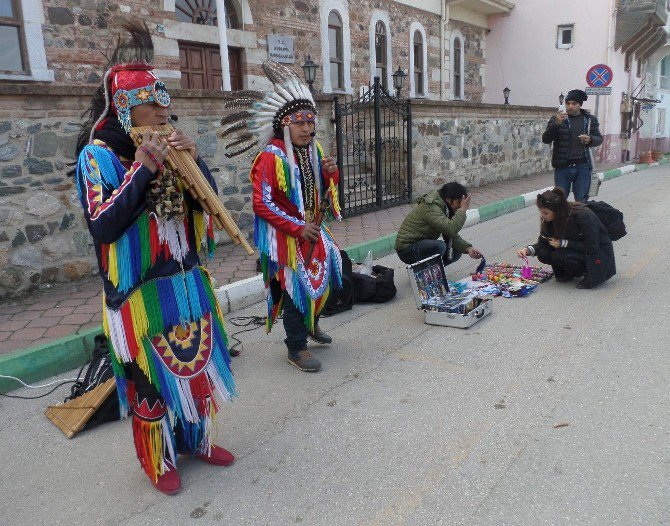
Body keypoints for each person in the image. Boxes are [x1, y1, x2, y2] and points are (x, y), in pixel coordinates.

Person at [74, 22, 236, 495]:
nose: (166, 113)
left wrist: (196, 161)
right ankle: (158, 458)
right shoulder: (97, 157)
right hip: (137, 293)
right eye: (154, 104)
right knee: (150, 383)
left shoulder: (170, 145)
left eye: (166, 102)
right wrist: (143, 169)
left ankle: (195, 440)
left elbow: (209, 205)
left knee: (197, 368)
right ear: (126, 109)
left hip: (184, 280)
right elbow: (103, 225)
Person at [220, 62, 343, 373]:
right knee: (294, 289)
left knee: (330, 272)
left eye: (310, 122)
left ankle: (310, 323)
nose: (307, 128)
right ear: (283, 124)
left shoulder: (313, 149)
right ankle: (296, 347)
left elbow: (322, 191)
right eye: (299, 122)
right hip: (286, 239)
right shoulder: (270, 158)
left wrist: (331, 174)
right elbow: (262, 204)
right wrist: (297, 228)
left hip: (312, 230)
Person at [516, 187, 616, 289]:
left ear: (557, 210)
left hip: (598, 253)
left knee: (558, 255)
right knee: (543, 253)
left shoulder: (583, 216)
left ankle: (587, 272)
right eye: (541, 212)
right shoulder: (551, 219)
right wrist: (528, 250)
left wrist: (564, 243)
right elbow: (543, 242)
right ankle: (570, 272)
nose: (542, 215)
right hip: (575, 249)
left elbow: (592, 246)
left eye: (545, 212)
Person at [395, 182, 483, 267]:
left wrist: (468, 248)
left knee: (455, 251)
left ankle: (430, 271)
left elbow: (450, 234)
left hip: (421, 245)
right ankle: (428, 273)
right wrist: (463, 209)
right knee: (440, 246)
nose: (460, 206)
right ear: (449, 199)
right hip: (406, 249)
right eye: (459, 202)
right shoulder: (431, 206)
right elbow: (450, 229)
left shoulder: (445, 206)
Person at [542, 89, 603, 203]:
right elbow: (546, 139)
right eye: (568, 103)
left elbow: (599, 139)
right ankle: (562, 221)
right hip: (562, 166)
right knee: (559, 201)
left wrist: (590, 139)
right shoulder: (557, 119)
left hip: (583, 166)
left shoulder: (589, 120)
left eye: (574, 103)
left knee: (581, 201)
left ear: (580, 104)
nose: (570, 106)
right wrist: (556, 124)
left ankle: (579, 220)